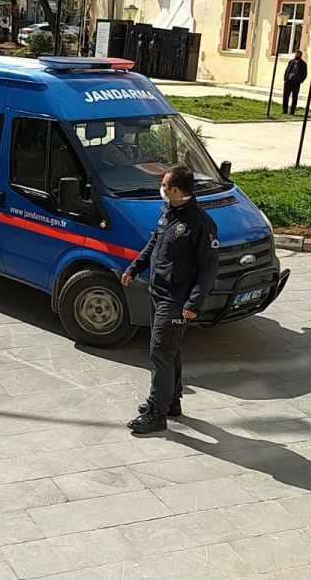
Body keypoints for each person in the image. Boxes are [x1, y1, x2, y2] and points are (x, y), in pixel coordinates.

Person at [121, 166, 219, 435]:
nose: (161, 189)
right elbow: (154, 243)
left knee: (160, 352)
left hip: (176, 300)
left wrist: (193, 304)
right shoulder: (169, 212)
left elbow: (209, 267)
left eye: (164, 185)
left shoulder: (199, 223)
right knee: (170, 351)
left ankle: (156, 413)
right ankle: (171, 401)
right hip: (159, 292)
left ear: (175, 190)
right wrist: (134, 268)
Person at [282, 50, 308, 115]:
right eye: (296, 54)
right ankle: (284, 111)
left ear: (300, 55)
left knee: (294, 97)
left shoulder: (303, 64)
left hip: (295, 83)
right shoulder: (291, 62)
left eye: (298, 54)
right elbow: (287, 70)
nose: (297, 55)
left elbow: (304, 74)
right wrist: (285, 78)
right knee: (285, 96)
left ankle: (292, 112)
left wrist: (299, 81)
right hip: (288, 81)